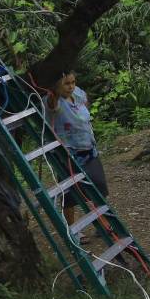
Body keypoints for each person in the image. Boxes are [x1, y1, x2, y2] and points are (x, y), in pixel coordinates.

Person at [47, 71, 108, 239]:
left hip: (88, 148)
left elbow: (85, 108)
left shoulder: (78, 94)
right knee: (70, 194)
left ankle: (103, 224)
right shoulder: (53, 100)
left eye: (73, 82)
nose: (71, 86)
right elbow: (52, 104)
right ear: (57, 86)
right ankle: (73, 229)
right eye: (66, 84)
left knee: (99, 185)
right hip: (67, 153)